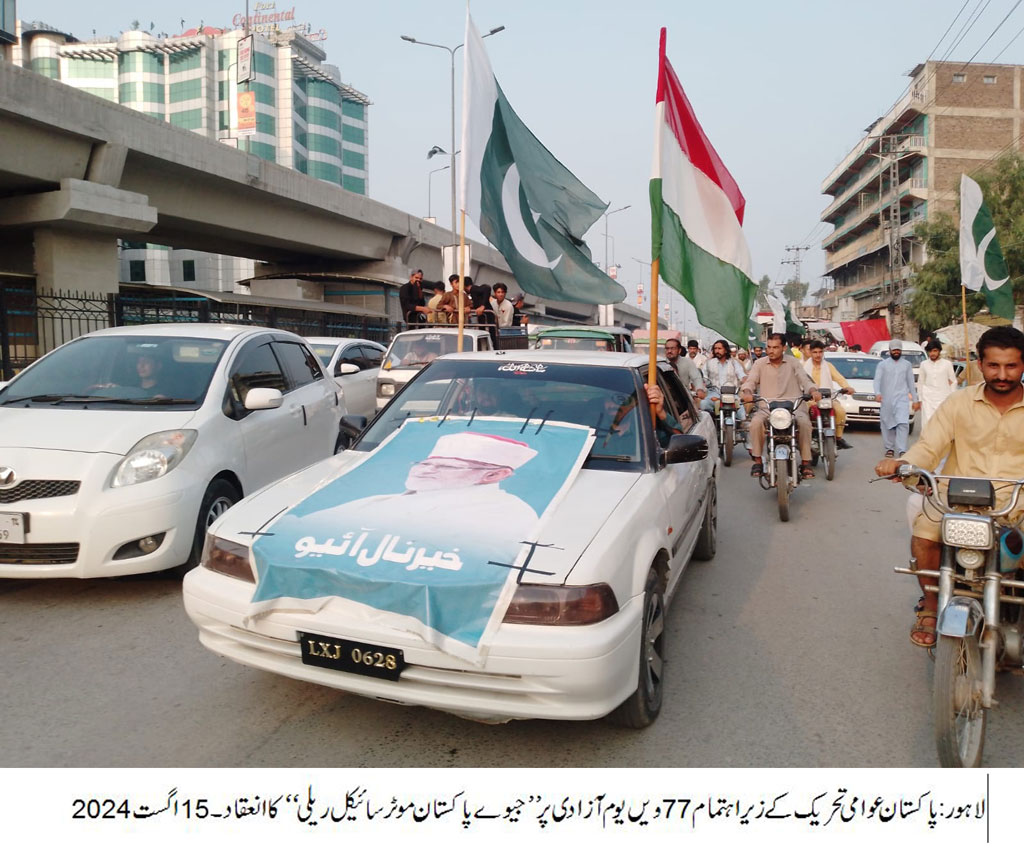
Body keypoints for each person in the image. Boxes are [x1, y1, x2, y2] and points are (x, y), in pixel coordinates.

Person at [874, 326, 1024, 648]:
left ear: (1022, 366)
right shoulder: (958, 404)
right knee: (924, 533)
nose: (1002, 374)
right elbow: (929, 447)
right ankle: (929, 607)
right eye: (993, 365)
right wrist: (905, 464)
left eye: (1011, 365)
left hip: (1018, 503)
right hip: (958, 498)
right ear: (979, 365)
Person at [741, 332, 821, 480]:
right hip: (767, 406)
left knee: (805, 424)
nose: (771, 351)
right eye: (769, 347)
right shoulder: (759, 363)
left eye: (775, 347)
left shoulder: (793, 362)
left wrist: (813, 390)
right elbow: (751, 380)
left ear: (784, 348)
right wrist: (747, 391)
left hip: (794, 407)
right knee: (755, 423)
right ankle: (758, 460)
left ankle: (805, 463)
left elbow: (805, 379)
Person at [803, 340, 854, 449]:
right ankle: (806, 439)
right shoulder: (803, 367)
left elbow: (839, 378)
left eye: (820, 352)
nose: (818, 355)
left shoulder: (828, 366)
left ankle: (839, 438)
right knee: (802, 417)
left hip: (827, 398)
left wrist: (847, 387)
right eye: (815, 352)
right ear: (810, 353)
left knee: (840, 411)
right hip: (809, 399)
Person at [874, 339, 920, 458]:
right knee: (887, 424)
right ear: (890, 351)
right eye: (894, 350)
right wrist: (877, 393)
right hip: (887, 400)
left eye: (898, 350)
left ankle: (902, 449)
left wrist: (915, 400)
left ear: (901, 351)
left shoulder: (907, 365)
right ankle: (889, 448)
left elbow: (911, 384)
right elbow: (877, 381)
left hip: (902, 399)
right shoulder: (882, 365)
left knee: (903, 423)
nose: (896, 352)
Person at [917, 339, 957, 430]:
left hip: (943, 398)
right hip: (928, 399)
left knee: (943, 426)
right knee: (927, 425)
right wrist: (920, 399)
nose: (932, 353)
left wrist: (952, 397)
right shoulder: (924, 364)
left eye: (935, 351)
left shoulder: (947, 364)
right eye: (930, 351)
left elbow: (953, 381)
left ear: (939, 351)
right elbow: (921, 382)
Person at [701, 338, 746, 413]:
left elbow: (742, 376)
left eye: (719, 348)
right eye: (715, 348)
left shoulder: (734, 363)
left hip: (731, 395)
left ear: (725, 350)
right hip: (713, 394)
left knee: (742, 414)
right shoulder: (709, 363)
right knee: (703, 404)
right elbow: (703, 378)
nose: (717, 351)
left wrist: (746, 382)